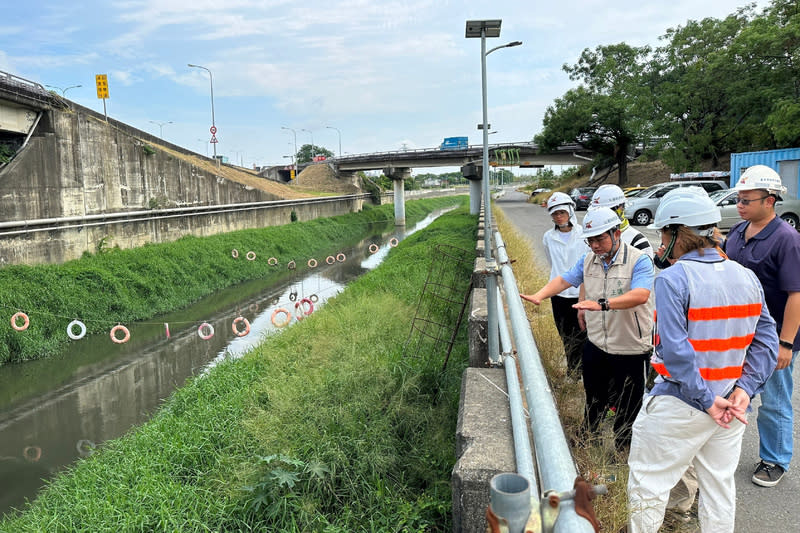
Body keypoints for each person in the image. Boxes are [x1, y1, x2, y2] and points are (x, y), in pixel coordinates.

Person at [628, 187, 778, 533]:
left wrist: (708, 400)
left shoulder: (672, 278)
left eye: (665, 233)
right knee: (719, 489)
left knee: (648, 485)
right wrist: (744, 389)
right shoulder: (746, 276)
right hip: (730, 405)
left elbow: (677, 353)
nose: (662, 242)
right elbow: (766, 342)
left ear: (680, 233)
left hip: (683, 404)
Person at [521, 207, 654, 448]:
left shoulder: (638, 260)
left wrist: (603, 304)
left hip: (630, 347)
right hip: (597, 344)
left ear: (616, 234)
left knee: (628, 404)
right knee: (594, 396)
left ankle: (624, 448)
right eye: (590, 240)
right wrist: (539, 295)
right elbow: (564, 279)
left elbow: (641, 295)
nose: (594, 245)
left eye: (599, 239)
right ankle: (589, 437)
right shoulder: (589, 260)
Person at [722, 164, 800, 487]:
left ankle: (774, 459)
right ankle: (722, 453)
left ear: (770, 201)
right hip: (740, 333)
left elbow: (796, 294)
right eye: (738, 200)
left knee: (774, 399)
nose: (739, 205)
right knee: (734, 392)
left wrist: (785, 344)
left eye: (746, 200)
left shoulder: (787, 239)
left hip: (773, 338)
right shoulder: (738, 234)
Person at [542, 192, 590, 374]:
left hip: (580, 293)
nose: (559, 216)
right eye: (555, 214)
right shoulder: (548, 237)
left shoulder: (583, 234)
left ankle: (583, 369)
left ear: (570, 211)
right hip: (559, 295)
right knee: (565, 334)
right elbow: (551, 261)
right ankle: (573, 369)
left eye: (562, 212)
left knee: (582, 333)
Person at [589, 184, 654, 259]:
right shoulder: (590, 239)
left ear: (621, 207)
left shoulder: (638, 241)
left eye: (608, 211)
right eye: (596, 212)